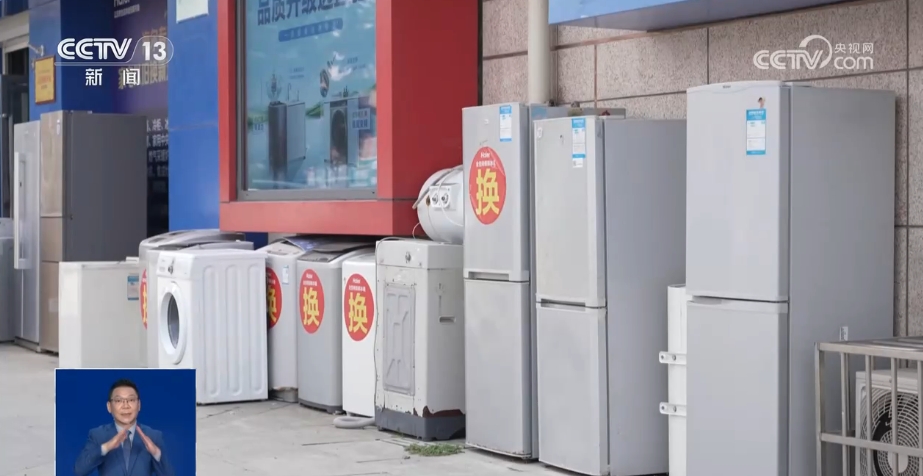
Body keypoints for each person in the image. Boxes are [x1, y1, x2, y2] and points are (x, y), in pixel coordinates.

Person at [74, 379, 175, 476]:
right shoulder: (98, 435)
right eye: (119, 400)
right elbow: (79, 470)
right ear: (109, 407)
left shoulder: (153, 436)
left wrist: (156, 453)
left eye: (131, 400)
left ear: (139, 405)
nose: (125, 406)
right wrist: (106, 447)